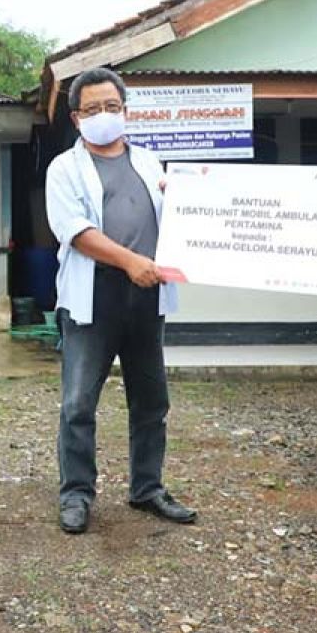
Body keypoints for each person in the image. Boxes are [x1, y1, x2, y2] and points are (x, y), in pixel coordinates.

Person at [45, 67, 197, 535]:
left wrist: (200, 196)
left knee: (151, 400)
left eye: (112, 106)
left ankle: (147, 488)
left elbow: (185, 217)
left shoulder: (152, 164)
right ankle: (76, 493)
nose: (104, 115)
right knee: (78, 403)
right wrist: (130, 261)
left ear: (125, 110)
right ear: (76, 118)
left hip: (147, 297)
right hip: (95, 296)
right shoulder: (64, 168)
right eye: (92, 109)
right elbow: (75, 232)